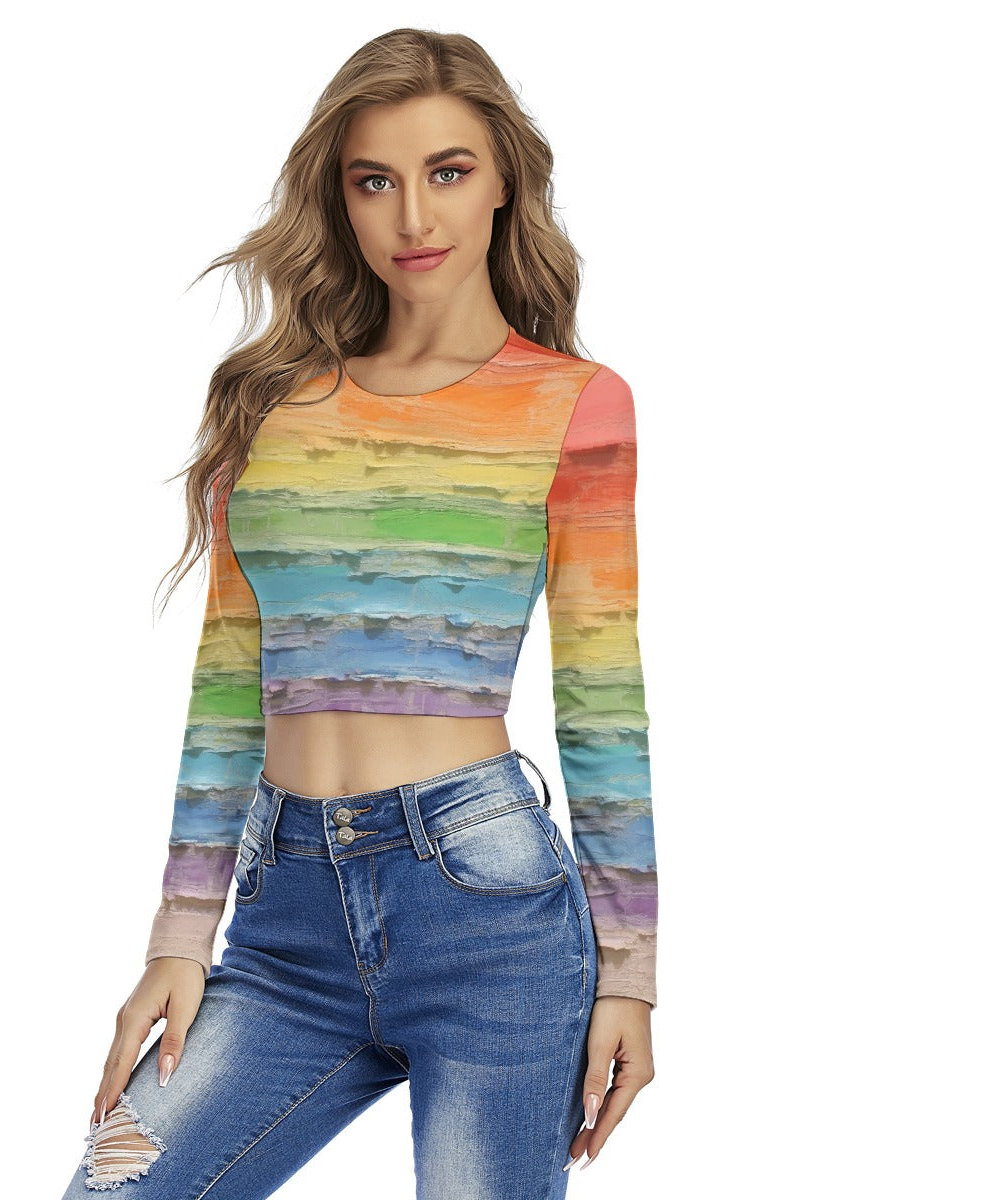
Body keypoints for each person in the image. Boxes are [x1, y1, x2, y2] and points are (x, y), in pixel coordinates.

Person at [61, 27, 657, 1199]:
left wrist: (631, 970)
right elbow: (228, 679)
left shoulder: (574, 404)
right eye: (374, 180)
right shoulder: (270, 400)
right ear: (338, 197)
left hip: (489, 914)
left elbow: (603, 694)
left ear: (504, 183)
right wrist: (180, 934)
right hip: (282, 920)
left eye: (449, 172)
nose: (412, 217)